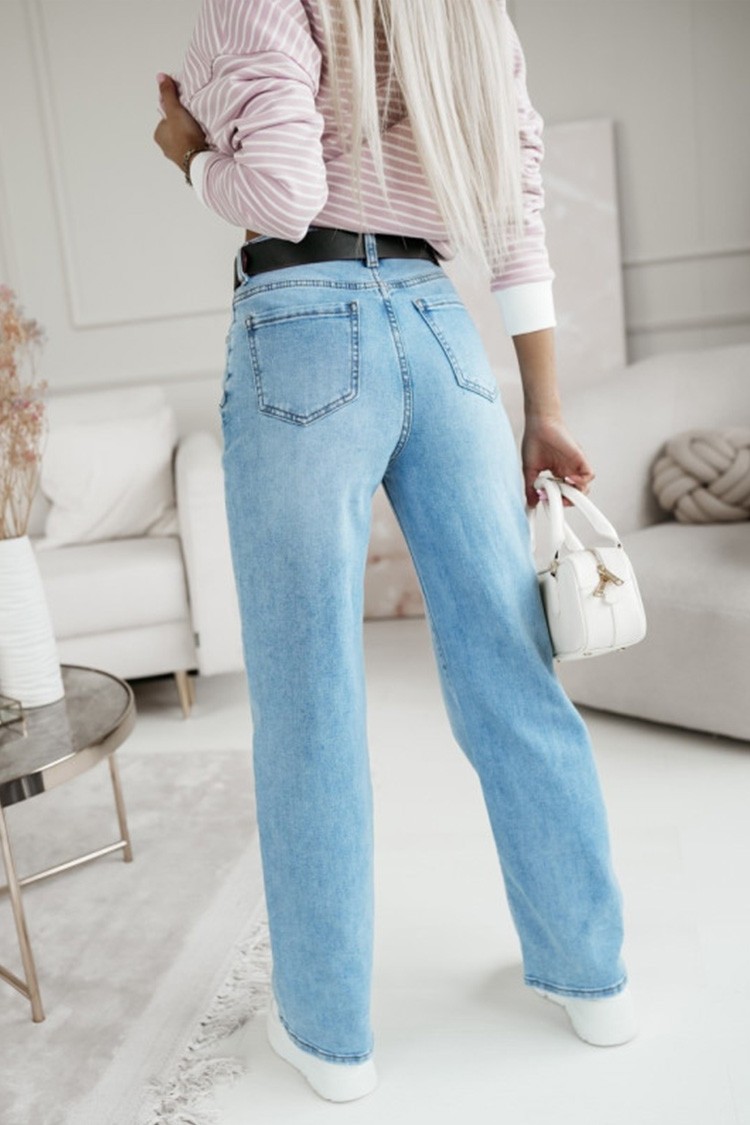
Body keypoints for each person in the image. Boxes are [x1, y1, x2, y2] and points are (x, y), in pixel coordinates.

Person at [153, 0, 636, 1103]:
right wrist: (543, 409)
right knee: (513, 673)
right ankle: (594, 980)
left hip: (301, 325)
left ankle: (331, 1041)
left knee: (309, 700)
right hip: (438, 325)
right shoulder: (466, 13)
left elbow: (283, 194)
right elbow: (516, 212)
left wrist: (190, 157)